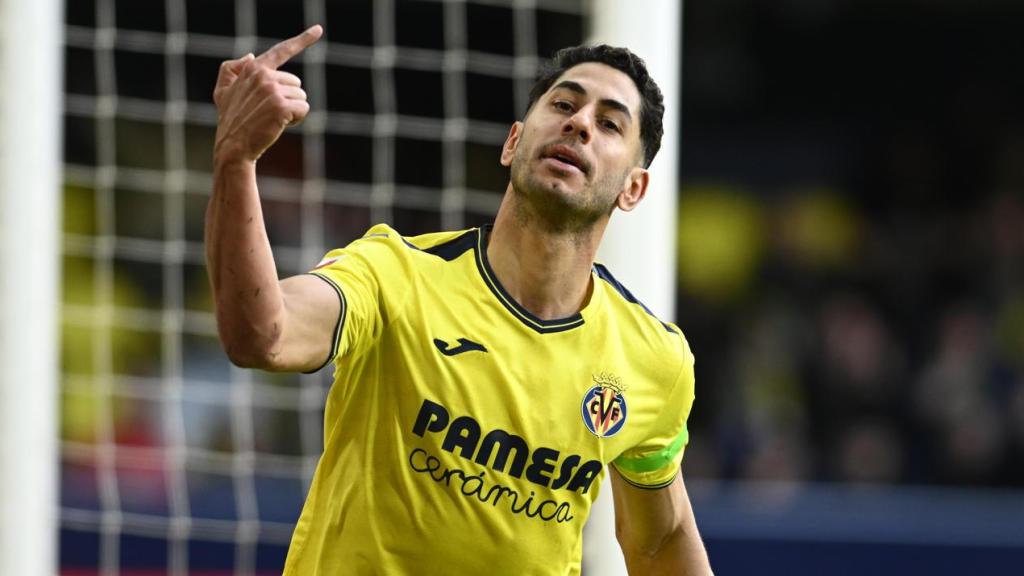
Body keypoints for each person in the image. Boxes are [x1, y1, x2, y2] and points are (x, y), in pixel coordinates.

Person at [207, 24, 713, 576]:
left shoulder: (655, 361)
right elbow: (263, 335)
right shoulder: (394, 275)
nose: (579, 123)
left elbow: (660, 538)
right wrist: (237, 159)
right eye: (564, 103)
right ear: (514, 142)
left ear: (632, 189)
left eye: (610, 123)